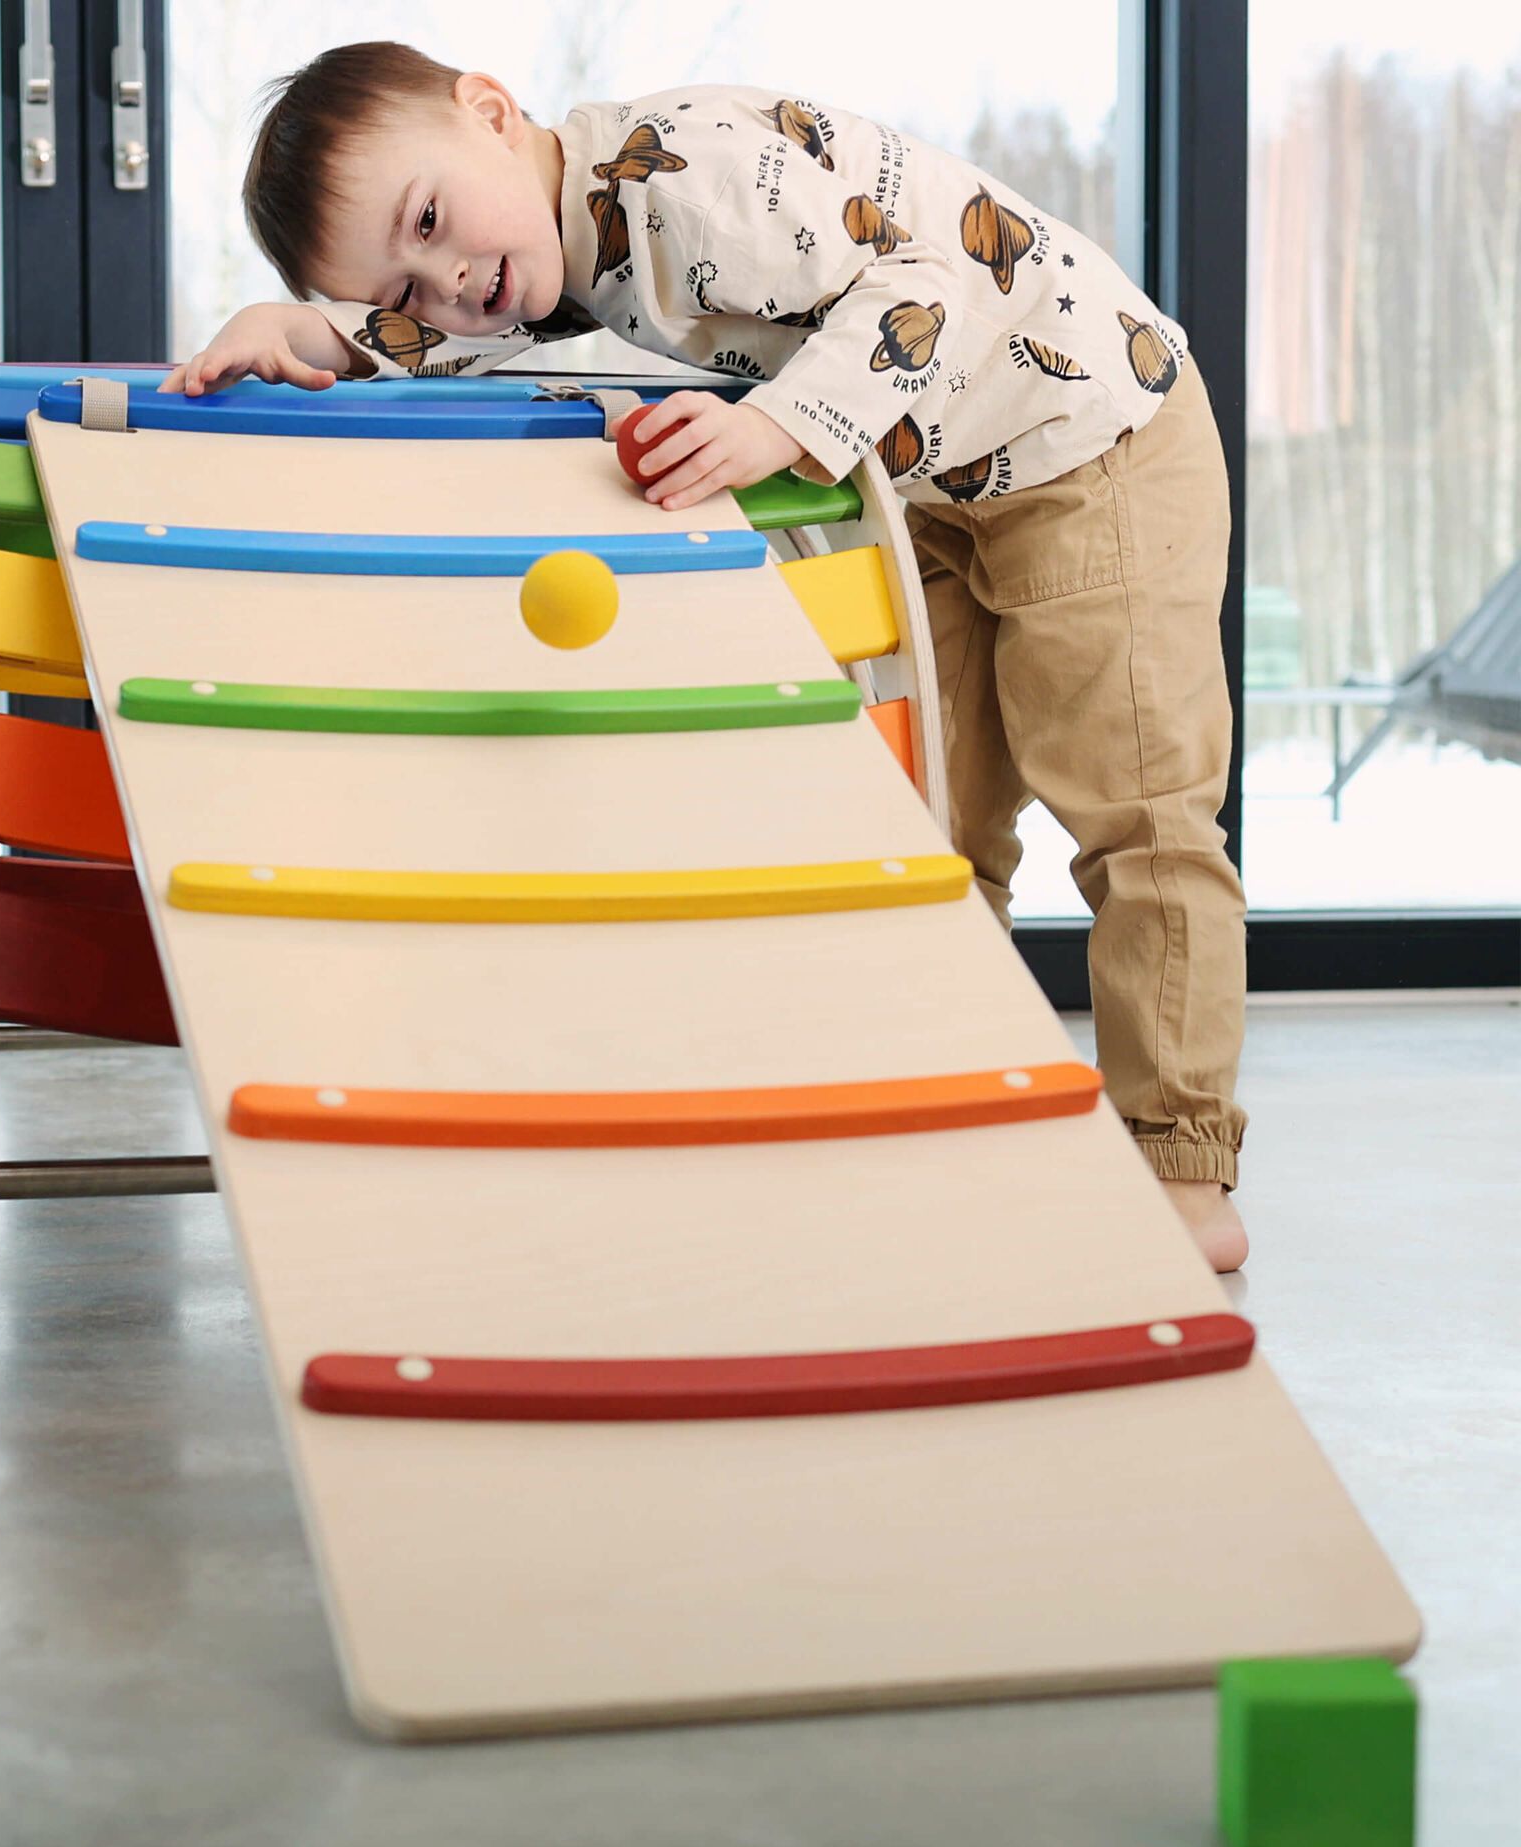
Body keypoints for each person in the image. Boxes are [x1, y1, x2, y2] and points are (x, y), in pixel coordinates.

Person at [162, 41, 1250, 1271]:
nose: (449, 281)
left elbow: (931, 272)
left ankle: (1178, 1162)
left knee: (1136, 811)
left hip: (1090, 432)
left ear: (486, 106)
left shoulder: (685, 177)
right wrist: (299, 330)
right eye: (405, 286)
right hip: (941, 487)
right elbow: (436, 346)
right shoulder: (547, 255)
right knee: (933, 825)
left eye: (428, 220)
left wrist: (775, 426)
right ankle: (951, 1113)